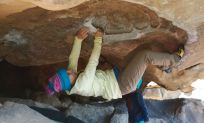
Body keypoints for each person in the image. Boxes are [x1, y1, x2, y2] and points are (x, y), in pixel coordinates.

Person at [46, 27, 184, 100]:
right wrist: (98, 39)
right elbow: (93, 63)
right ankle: (175, 59)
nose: (70, 71)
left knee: (144, 48)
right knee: (145, 56)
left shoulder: (71, 77)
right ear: (69, 83)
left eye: (67, 71)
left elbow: (72, 59)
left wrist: (78, 39)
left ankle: (164, 64)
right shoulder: (82, 85)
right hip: (120, 86)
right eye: (68, 74)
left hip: (115, 74)